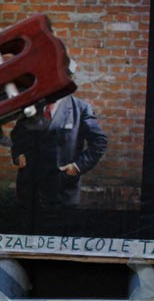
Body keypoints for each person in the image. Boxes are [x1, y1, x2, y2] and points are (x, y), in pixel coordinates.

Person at [10, 96, 107, 233]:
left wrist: (77, 167)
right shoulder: (33, 106)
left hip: (61, 190)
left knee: (57, 239)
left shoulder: (79, 108)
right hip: (29, 191)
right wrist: (18, 154)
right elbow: (17, 135)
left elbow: (99, 142)